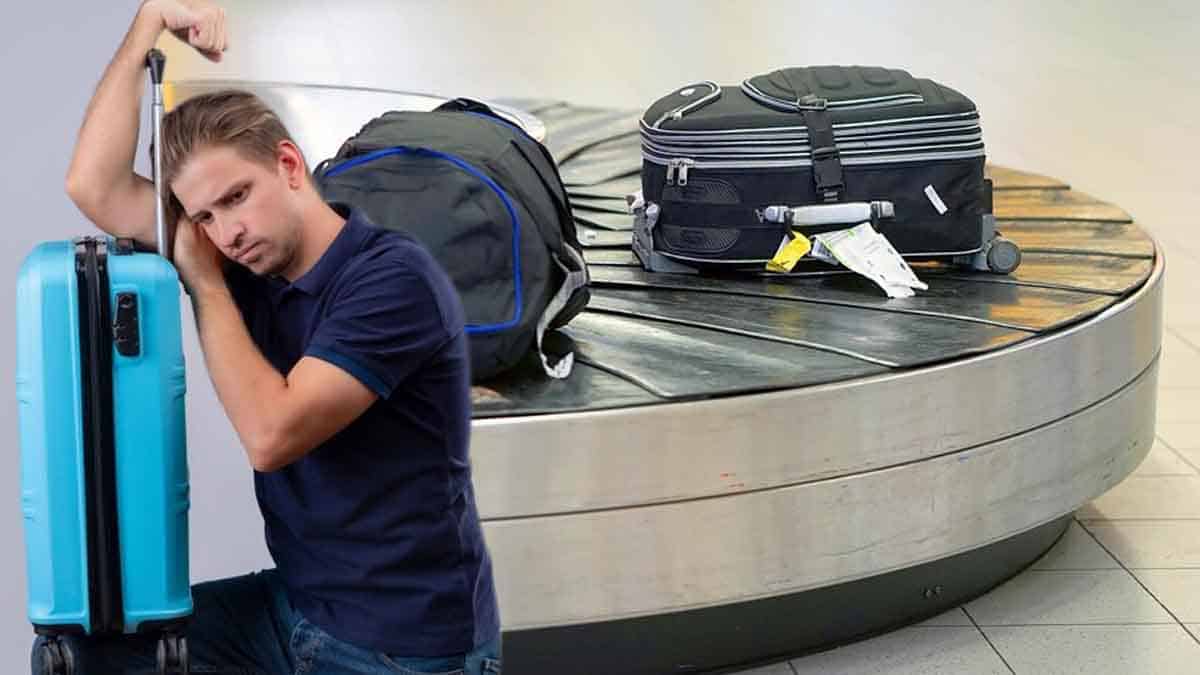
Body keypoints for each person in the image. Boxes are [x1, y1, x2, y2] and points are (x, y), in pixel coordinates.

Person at [36, 1, 501, 673]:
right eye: (203, 216)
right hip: (300, 609)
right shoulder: (247, 257)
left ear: (288, 163)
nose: (225, 232)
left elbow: (271, 434)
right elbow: (94, 184)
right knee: (82, 658)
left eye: (236, 197)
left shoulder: (395, 281)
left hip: (407, 646)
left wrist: (208, 283)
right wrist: (147, 24)